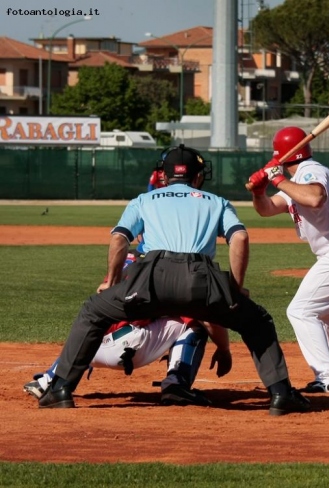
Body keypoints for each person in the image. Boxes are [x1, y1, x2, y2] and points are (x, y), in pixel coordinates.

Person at [37, 144, 310, 416]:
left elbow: (119, 239)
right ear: (198, 176)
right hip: (202, 280)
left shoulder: (143, 201)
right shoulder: (217, 202)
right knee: (257, 322)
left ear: (164, 176)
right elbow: (240, 238)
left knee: (93, 311)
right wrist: (235, 288)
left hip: (150, 280)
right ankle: (281, 393)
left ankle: (61, 388)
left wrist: (113, 281)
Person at [246, 127, 329, 393]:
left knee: (301, 310)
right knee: (322, 310)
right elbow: (268, 209)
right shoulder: (299, 178)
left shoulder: (311, 171)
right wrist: (259, 193)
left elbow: (316, 198)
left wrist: (278, 179)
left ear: (280, 154)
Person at [24, 315, 233, 406]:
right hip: (134, 346)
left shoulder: (125, 261)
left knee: (94, 323)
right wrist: (224, 349)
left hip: (92, 346)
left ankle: (48, 380)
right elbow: (207, 319)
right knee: (196, 321)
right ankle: (176, 383)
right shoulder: (170, 264)